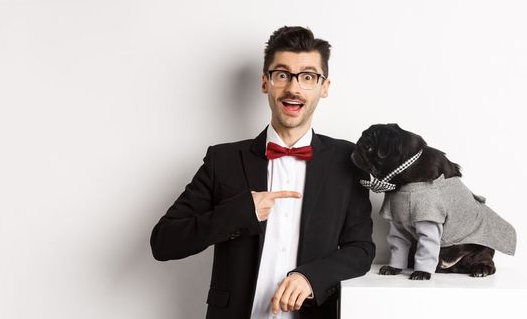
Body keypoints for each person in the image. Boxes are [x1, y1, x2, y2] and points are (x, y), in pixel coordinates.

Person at [150, 26, 375, 319]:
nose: (293, 88)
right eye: (282, 74)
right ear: (265, 82)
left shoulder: (348, 160)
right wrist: (242, 212)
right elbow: (164, 241)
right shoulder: (223, 160)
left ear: (324, 87)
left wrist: (312, 277)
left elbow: (360, 250)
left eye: (308, 77)